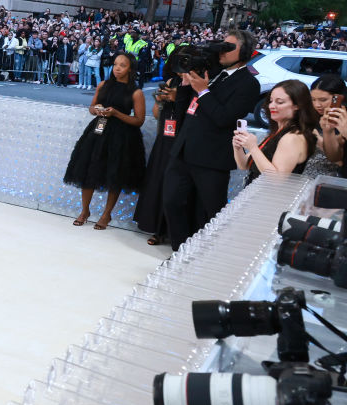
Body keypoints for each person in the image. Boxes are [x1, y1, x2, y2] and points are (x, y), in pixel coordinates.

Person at [162, 29, 261, 251]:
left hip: (212, 158)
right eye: (222, 44)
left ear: (244, 52)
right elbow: (188, 110)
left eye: (229, 46)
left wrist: (203, 91)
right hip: (184, 151)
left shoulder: (249, 83)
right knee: (171, 202)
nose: (222, 50)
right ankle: (180, 252)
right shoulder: (213, 72)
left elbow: (224, 118)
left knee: (210, 211)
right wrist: (188, 88)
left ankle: (206, 255)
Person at [64, 52, 146, 230]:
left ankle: (106, 214)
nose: (117, 68)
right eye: (116, 64)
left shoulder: (136, 92)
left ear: (130, 68)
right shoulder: (103, 85)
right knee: (88, 170)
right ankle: (85, 211)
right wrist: (97, 110)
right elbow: (92, 108)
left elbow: (139, 120)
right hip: (98, 132)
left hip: (122, 136)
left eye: (122, 65)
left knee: (114, 174)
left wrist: (116, 113)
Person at [134, 66, 189, 246]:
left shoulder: (196, 87)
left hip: (184, 142)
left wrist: (177, 98)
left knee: (174, 188)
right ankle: (157, 229)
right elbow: (158, 114)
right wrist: (160, 100)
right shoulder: (171, 82)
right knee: (157, 182)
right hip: (164, 138)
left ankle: (171, 232)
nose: (182, 71)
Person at [233, 80, 317, 183]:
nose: (272, 106)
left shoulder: (292, 137)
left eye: (280, 102)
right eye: (271, 101)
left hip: (271, 197)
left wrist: (253, 147)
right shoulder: (278, 132)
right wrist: (238, 147)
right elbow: (244, 165)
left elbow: (277, 179)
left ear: (297, 105)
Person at [305, 74, 347, 177]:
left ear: (338, 99)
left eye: (323, 100)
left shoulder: (343, 120)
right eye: (313, 99)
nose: (317, 105)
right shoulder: (316, 117)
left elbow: (339, 160)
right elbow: (333, 157)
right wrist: (328, 132)